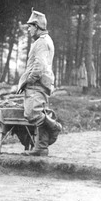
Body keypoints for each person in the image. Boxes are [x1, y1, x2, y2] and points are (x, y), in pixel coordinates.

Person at [16, 9, 62, 156]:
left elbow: (39, 66)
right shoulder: (44, 41)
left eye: (30, 26)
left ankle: (55, 127)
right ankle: (41, 147)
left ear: (36, 26)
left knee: (32, 114)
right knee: (40, 112)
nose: (28, 29)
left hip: (36, 84)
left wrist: (29, 80)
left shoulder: (41, 43)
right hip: (41, 83)